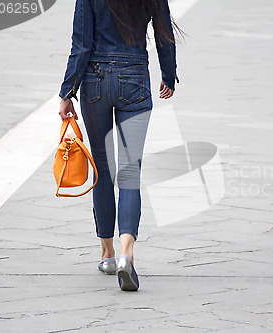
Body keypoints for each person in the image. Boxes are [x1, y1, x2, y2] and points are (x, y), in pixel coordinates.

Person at [58, 0, 180, 291]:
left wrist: (67, 91)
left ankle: (107, 254)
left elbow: (81, 44)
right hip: (134, 79)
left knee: (101, 169)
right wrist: (168, 74)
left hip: (94, 82)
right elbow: (164, 35)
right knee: (129, 172)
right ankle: (128, 253)